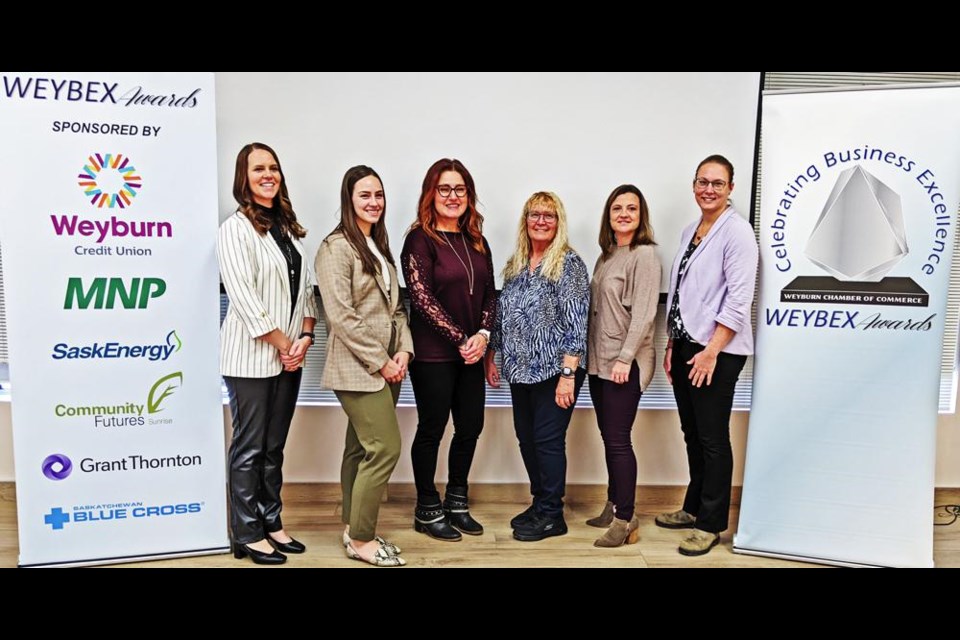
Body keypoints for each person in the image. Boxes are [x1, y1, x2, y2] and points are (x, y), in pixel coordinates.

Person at [218, 142, 318, 565]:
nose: (268, 174)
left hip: (290, 355)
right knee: (250, 447)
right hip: (250, 359)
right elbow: (245, 299)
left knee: (274, 446)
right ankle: (246, 532)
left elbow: (307, 293)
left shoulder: (288, 229)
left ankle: (272, 522)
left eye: (273, 167)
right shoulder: (234, 229)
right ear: (245, 177)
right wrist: (284, 344)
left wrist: (306, 339)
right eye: (258, 168)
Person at [657, 154, 758, 556]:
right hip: (686, 345)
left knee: (713, 438)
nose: (708, 189)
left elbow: (738, 301)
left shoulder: (738, 234)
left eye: (717, 183)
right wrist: (671, 344)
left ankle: (712, 523)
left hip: (717, 350)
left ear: (731, 188)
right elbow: (683, 293)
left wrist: (711, 351)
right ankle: (693, 508)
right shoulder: (690, 230)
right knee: (692, 433)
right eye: (702, 181)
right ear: (694, 185)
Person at [316, 165, 413, 567]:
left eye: (378, 195)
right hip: (360, 367)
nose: (374, 202)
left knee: (359, 448)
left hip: (391, 365)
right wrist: (381, 362)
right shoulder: (336, 247)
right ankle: (362, 538)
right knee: (385, 448)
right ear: (348, 200)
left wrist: (403, 352)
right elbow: (341, 316)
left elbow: (396, 310)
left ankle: (351, 527)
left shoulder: (378, 246)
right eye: (364, 196)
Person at [401, 159, 497, 541]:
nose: (453, 196)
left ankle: (457, 500)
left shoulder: (477, 239)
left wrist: (484, 335)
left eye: (460, 190)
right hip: (433, 355)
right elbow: (421, 298)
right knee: (432, 429)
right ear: (431, 193)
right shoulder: (419, 239)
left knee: (471, 427)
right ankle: (426, 507)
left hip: (472, 352)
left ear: (468, 196)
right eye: (445, 189)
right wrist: (461, 338)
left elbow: (490, 291)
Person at [486, 191, 589, 542]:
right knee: (526, 439)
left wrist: (568, 375)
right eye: (534, 214)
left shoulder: (568, 264)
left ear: (558, 222)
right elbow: (502, 315)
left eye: (549, 215)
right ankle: (539, 501)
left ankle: (552, 514)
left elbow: (577, 323)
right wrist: (492, 355)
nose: (541, 221)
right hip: (519, 369)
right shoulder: (517, 263)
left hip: (554, 370)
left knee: (547, 441)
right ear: (525, 220)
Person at [585, 185, 661, 547]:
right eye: (618, 208)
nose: (625, 214)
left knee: (618, 440)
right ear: (609, 215)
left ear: (640, 215)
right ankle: (613, 503)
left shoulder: (644, 255)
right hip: (599, 363)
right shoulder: (607, 255)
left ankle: (625, 518)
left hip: (622, 364)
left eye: (632, 208)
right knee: (608, 437)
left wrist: (624, 359)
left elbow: (645, 315)